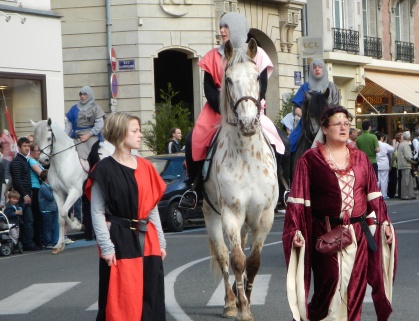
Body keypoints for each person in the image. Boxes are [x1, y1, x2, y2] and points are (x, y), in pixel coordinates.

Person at [283, 106, 396, 321]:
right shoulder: (310, 160)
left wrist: (385, 224)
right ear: (325, 128)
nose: (344, 127)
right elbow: (297, 202)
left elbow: (374, 197)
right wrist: (295, 231)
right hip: (326, 233)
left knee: (355, 289)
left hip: (358, 234)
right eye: (338, 123)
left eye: (347, 123)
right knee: (329, 287)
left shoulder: (362, 159)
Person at [187, 12, 284, 193]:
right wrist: (225, 109)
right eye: (220, 27)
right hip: (216, 111)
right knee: (193, 139)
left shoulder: (258, 54)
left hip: (250, 108)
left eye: (225, 27)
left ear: (237, 29)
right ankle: (194, 188)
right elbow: (208, 89)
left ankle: (283, 185)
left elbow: (262, 86)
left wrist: (250, 107)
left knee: (281, 140)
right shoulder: (212, 56)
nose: (222, 31)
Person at [86, 112, 167, 320]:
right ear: (121, 133)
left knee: (151, 296)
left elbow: (152, 208)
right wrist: (106, 246)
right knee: (121, 298)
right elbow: (96, 211)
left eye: (139, 130)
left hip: (147, 239)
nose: (140, 135)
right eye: (135, 131)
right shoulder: (103, 170)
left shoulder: (147, 167)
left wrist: (161, 241)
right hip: (119, 239)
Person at [289, 58, 342, 152]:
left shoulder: (332, 87)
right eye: (314, 67)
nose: (317, 69)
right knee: (290, 144)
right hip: (306, 124)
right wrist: (307, 115)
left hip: (328, 124)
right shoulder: (305, 87)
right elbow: (296, 108)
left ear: (324, 69)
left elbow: (337, 108)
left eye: (319, 67)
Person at [10, 137, 40, 251]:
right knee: (28, 220)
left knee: (28, 220)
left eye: (28, 146)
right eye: (24, 146)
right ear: (18, 147)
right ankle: (28, 243)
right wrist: (25, 195)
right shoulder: (17, 161)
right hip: (22, 196)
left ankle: (27, 242)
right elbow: (17, 180)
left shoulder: (24, 160)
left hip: (27, 193)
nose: (27, 148)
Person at [65, 85, 105, 160]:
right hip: (76, 136)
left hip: (92, 136)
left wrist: (88, 135)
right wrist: (64, 138)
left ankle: (95, 170)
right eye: (81, 94)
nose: (82, 96)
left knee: (93, 156)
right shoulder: (74, 109)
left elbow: (99, 124)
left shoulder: (96, 108)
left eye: (85, 94)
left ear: (89, 95)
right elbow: (68, 127)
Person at [28, 143, 44, 247]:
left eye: (39, 151)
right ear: (31, 151)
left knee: (39, 215)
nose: (38, 152)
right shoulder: (31, 161)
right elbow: (41, 173)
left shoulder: (36, 161)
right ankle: (37, 240)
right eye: (36, 150)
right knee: (37, 215)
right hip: (35, 188)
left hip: (38, 187)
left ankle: (39, 240)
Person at [38, 170, 58, 249]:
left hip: (51, 209)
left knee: (52, 226)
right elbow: (49, 197)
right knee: (47, 227)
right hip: (46, 210)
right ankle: (47, 242)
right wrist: (54, 190)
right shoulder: (43, 187)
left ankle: (52, 241)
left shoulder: (47, 186)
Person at [397, 131, 415, 200]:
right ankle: (405, 195)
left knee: (407, 180)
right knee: (406, 180)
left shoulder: (402, 144)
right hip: (405, 164)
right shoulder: (405, 144)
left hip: (403, 164)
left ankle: (410, 194)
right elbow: (408, 156)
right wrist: (414, 161)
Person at [376, 132, 394, 199]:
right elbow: (392, 149)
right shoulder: (384, 145)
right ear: (382, 138)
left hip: (377, 163)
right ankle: (384, 194)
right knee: (384, 180)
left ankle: (377, 194)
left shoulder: (374, 144)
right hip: (384, 163)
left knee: (377, 180)